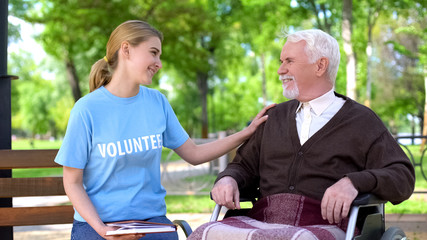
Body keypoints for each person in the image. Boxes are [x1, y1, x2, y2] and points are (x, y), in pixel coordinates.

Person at [54, 20, 274, 240]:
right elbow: (72, 182)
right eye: (153, 53)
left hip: (151, 224)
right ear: (126, 49)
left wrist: (247, 132)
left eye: (159, 55)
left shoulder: (157, 102)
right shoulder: (87, 109)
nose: (158, 63)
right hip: (98, 225)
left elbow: (195, 154)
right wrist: (103, 230)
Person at [189, 29, 415, 240]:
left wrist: (353, 182)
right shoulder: (273, 118)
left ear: (320, 66)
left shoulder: (361, 121)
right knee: (204, 232)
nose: (280, 70)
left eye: (289, 61)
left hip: (326, 223)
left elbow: (402, 176)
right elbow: (243, 166)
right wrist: (228, 178)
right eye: (281, 62)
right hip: (263, 218)